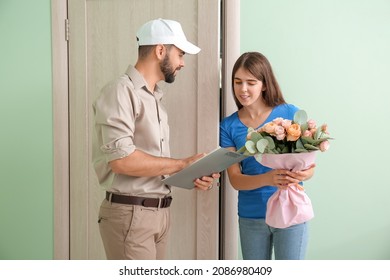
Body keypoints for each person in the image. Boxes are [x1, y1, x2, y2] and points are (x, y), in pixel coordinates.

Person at [92, 18, 220, 260]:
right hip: (131, 215)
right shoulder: (120, 91)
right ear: (161, 50)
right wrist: (182, 164)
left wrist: (192, 173)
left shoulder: (155, 99)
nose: (182, 63)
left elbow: (153, 164)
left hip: (158, 214)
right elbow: (122, 161)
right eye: (180, 54)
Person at [219, 52, 315, 260]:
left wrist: (302, 176)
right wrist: (269, 179)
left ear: (264, 84)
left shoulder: (290, 113)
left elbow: (310, 168)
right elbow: (235, 180)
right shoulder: (228, 126)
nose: (243, 89)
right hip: (251, 216)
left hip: (290, 211)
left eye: (250, 83)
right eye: (238, 82)